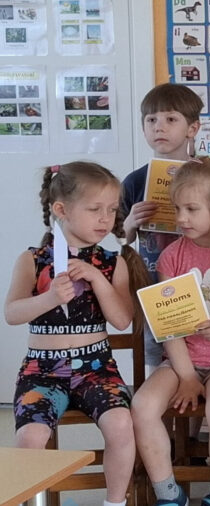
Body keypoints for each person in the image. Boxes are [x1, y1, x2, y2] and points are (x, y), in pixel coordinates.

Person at [6, 162, 147, 506]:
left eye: (111, 210)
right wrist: (50, 298)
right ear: (61, 210)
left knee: (121, 424)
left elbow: (122, 320)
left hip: (96, 369)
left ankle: (115, 501)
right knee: (30, 438)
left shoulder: (113, 263)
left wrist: (96, 278)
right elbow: (11, 314)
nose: (105, 219)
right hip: (42, 371)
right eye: (95, 209)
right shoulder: (32, 260)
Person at [132, 156, 210, 506]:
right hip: (181, 357)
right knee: (142, 406)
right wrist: (186, 375)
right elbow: (169, 325)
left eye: (191, 209)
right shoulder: (172, 257)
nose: (181, 218)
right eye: (177, 208)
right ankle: (169, 494)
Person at [121, 83, 204, 366]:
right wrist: (131, 222)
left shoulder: (207, 176)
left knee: (201, 353)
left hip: (200, 279)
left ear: (192, 128)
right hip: (153, 283)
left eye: (171, 119)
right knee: (157, 359)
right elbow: (121, 237)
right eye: (151, 120)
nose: (159, 127)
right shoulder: (134, 181)